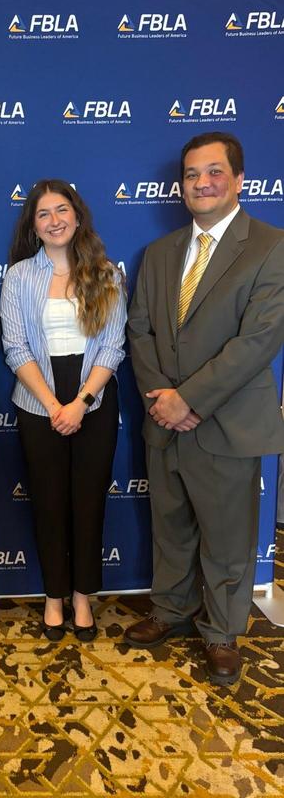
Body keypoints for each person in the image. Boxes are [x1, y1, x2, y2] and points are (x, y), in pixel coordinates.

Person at [126, 132, 284, 685]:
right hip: (163, 420)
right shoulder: (160, 252)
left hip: (226, 423)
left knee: (226, 536)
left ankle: (220, 632)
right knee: (171, 528)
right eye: (192, 175)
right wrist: (163, 401)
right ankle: (170, 611)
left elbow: (258, 341)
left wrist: (187, 399)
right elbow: (139, 329)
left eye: (213, 172)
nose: (202, 183)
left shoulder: (271, 245)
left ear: (239, 180)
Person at [0, 180, 127, 641]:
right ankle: (54, 595)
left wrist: (81, 402)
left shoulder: (105, 273)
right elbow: (15, 347)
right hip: (39, 402)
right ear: (33, 225)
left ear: (77, 215)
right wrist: (54, 404)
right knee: (49, 504)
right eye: (43, 214)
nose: (54, 220)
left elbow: (113, 345)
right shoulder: (18, 277)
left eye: (62, 210)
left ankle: (82, 597)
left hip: (92, 398)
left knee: (88, 504)